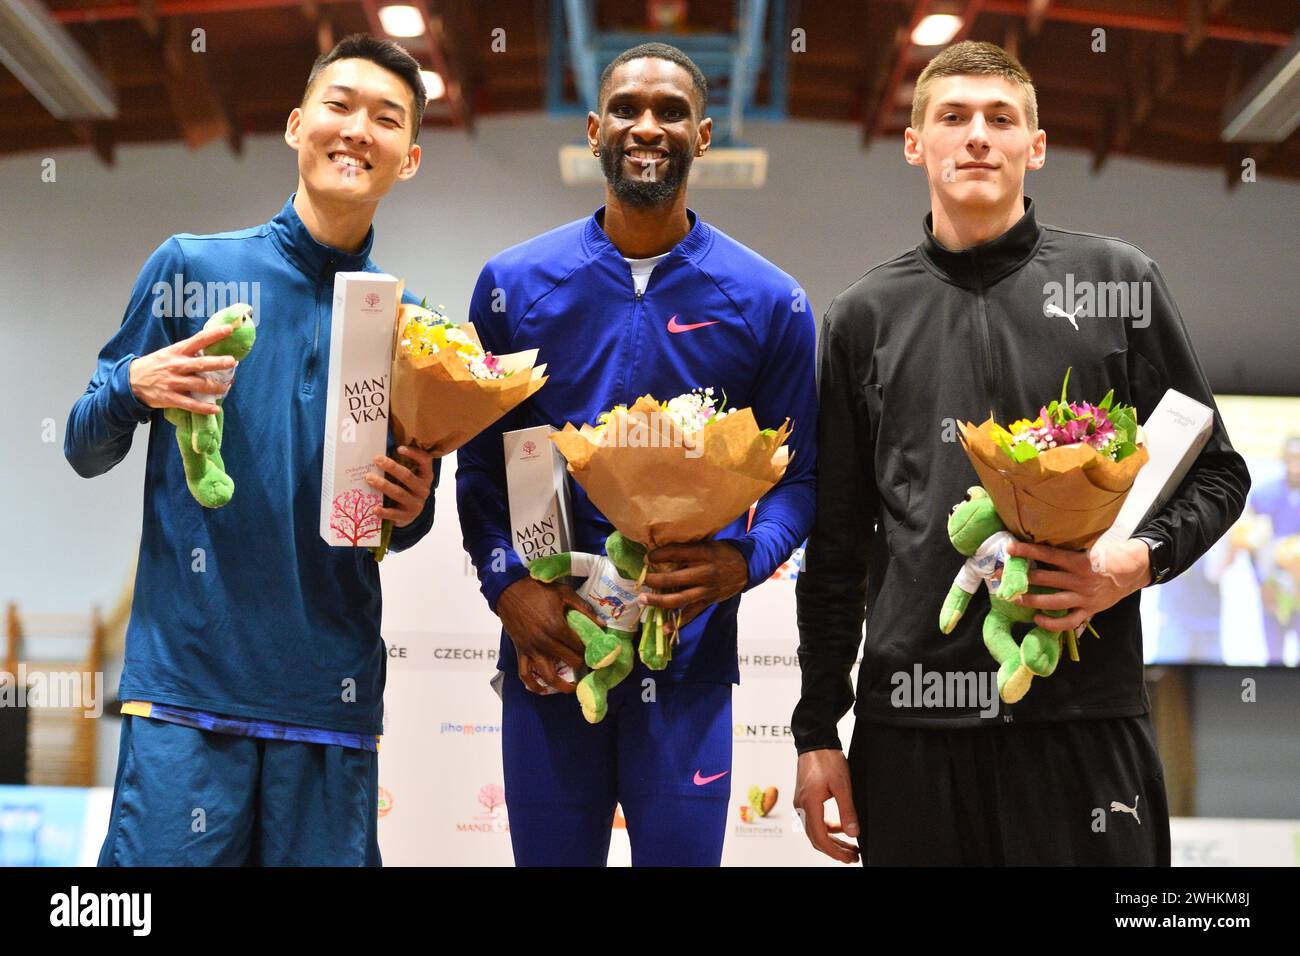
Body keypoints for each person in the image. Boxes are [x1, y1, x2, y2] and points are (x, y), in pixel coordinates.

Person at [792, 41, 1250, 866]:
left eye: (1001, 119)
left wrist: (1129, 565)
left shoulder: (1119, 283)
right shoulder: (862, 316)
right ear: (914, 143)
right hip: (912, 733)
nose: (977, 137)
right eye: (953, 117)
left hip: (1085, 722)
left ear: (1035, 147)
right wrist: (817, 731)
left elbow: (1219, 473)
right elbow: (835, 549)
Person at [65, 34, 437, 866]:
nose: (357, 130)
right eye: (339, 106)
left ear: (407, 159)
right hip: (188, 701)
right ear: (297, 124)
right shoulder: (192, 267)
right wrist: (134, 385)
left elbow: (402, 524)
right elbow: (84, 446)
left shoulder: (411, 326)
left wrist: (413, 509)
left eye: (385, 119)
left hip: (329, 706)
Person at [456, 42, 816, 866]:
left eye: (670, 111)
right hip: (551, 651)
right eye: (626, 108)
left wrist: (742, 563)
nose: (646, 126)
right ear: (593, 130)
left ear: (705, 134)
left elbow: (803, 477)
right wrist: (510, 588)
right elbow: (479, 471)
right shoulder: (513, 284)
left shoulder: (770, 300)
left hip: (683, 663)